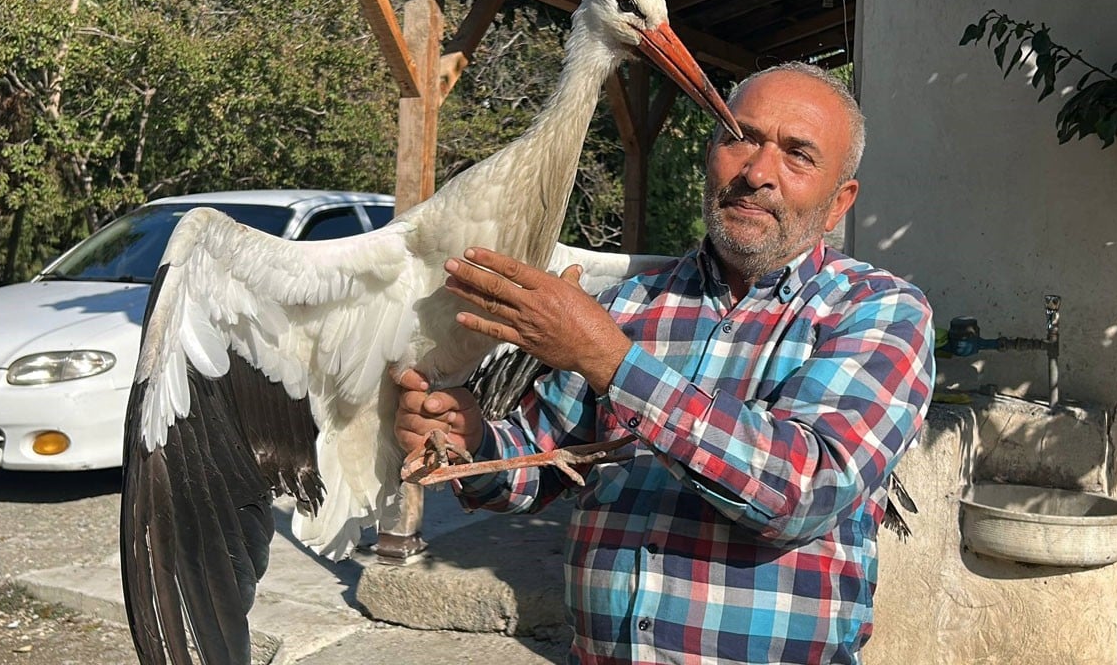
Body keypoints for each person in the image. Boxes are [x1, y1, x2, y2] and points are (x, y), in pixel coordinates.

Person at [393, 62, 935, 665]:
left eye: (798, 155)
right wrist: (471, 447)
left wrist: (612, 361)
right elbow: (541, 463)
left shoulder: (879, 312)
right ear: (711, 155)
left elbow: (804, 489)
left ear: (839, 203)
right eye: (739, 136)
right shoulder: (626, 304)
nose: (757, 173)